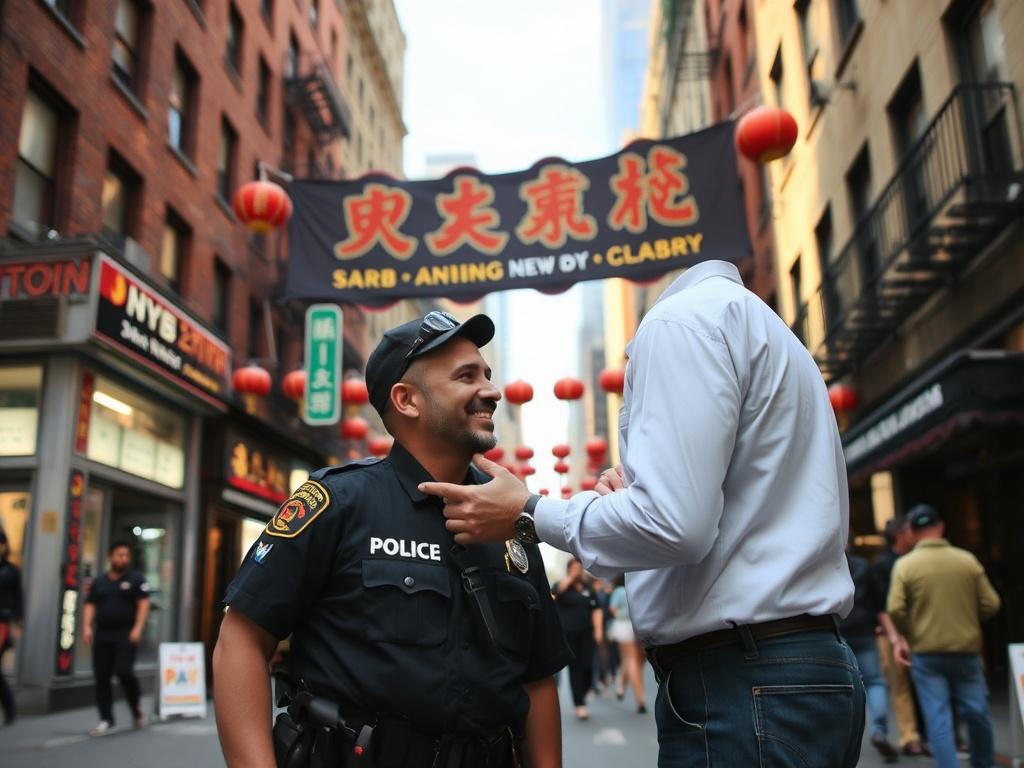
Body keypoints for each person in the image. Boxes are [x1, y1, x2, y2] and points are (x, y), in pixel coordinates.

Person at [420, 260, 865, 767]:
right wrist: (631, 505)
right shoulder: (759, 326)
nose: (491, 392)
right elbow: (702, 517)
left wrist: (528, 512)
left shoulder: (680, 325)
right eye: (464, 375)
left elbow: (675, 525)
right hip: (791, 673)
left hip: (745, 681)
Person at [213, 311, 570, 768]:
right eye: (466, 376)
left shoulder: (512, 519)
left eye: (487, 374)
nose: (492, 391)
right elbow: (240, 641)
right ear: (406, 400)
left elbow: (537, 683)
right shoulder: (337, 502)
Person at [887, 504, 1001, 768]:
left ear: (912, 532)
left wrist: (910, 634)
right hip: (966, 648)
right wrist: (968, 620)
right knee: (976, 711)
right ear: (941, 527)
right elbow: (991, 603)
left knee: (937, 716)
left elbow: (895, 608)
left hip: (926, 652)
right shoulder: (966, 560)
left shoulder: (905, 565)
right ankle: (984, 763)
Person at [82, 540, 151, 736]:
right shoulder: (100, 581)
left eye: (126, 555)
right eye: (119, 555)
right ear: (110, 557)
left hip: (126, 633)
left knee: (124, 671)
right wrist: (87, 626)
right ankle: (106, 718)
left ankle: (136, 707)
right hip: (103, 633)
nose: (123, 559)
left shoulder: (136, 579)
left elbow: (143, 605)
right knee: (101, 676)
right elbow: (90, 604)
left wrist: (137, 629)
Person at [872, 516, 927, 757]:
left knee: (922, 683)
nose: (913, 534)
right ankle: (910, 736)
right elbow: (883, 606)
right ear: (900, 536)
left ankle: (925, 735)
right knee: (901, 686)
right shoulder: (883, 565)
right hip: (893, 632)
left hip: (918, 630)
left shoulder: (916, 560)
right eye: (908, 531)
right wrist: (895, 637)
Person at [841, 549, 897, 762]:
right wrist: (892, 635)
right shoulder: (864, 566)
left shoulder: (824, 564)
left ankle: (843, 737)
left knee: (841, 685)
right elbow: (879, 605)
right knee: (874, 681)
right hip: (864, 631)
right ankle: (879, 729)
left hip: (837, 633)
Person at [552, 558, 602, 720]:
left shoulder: (588, 588)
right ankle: (579, 704)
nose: (577, 570)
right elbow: (556, 592)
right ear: (569, 569)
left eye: (579, 568)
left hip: (587, 633)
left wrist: (599, 630)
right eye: (574, 568)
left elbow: (596, 609)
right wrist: (571, 578)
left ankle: (585, 690)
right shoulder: (562, 586)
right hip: (569, 634)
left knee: (587, 666)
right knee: (575, 668)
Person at [608, 574, 646, 714]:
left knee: (629, 660)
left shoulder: (618, 591)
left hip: (623, 626)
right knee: (633, 660)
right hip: (637, 625)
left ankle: (633, 694)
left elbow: (612, 609)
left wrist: (621, 614)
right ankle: (635, 695)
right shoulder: (636, 588)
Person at [0, 531, 23, 725]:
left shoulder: (12, 571)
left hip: (3, 622)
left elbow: (18, 598)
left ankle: (9, 706)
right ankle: (9, 706)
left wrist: (18, 622)